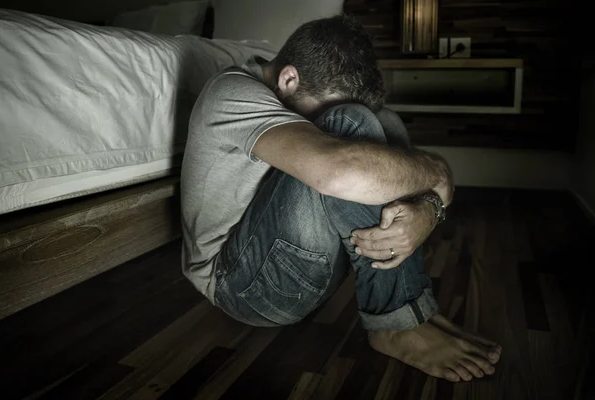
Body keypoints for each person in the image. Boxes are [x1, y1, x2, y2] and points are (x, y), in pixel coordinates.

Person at [180, 15, 502, 382]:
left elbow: (386, 166)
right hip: (240, 285)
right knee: (349, 126)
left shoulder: (286, 89)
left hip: (307, 271)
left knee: (384, 123)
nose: (320, 120)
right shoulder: (230, 92)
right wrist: (438, 175)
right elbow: (340, 171)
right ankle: (396, 323)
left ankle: (411, 309)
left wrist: (428, 208)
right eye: (319, 110)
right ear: (288, 79)